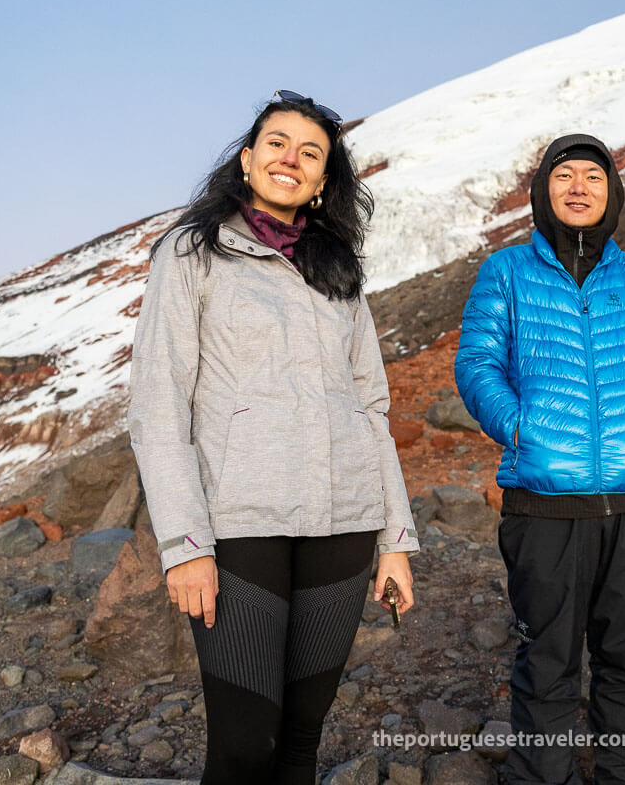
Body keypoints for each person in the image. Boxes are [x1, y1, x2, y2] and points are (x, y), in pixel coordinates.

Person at [129, 90, 418, 784]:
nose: (291, 157)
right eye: (278, 143)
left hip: (344, 522)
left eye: (310, 152)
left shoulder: (340, 272)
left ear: (323, 184)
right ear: (248, 158)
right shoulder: (194, 253)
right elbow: (158, 402)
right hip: (239, 526)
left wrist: (396, 542)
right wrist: (185, 546)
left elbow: (370, 409)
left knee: (299, 743)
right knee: (242, 746)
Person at [455, 133, 625, 785]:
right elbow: (477, 361)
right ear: (544, 191)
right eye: (566, 176)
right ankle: (542, 775)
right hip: (544, 501)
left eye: (593, 175)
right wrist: (519, 427)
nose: (580, 187)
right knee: (549, 654)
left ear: (611, 192)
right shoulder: (506, 272)